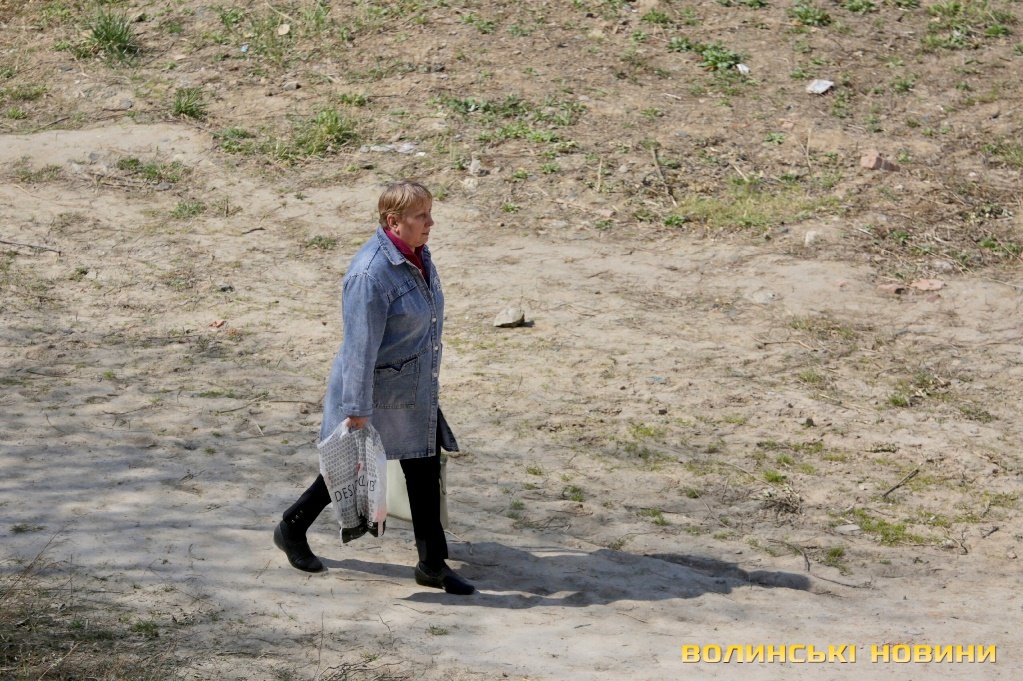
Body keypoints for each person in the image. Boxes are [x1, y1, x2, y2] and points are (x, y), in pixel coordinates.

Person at [273, 180, 474, 595]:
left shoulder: (416, 254)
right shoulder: (370, 274)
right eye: (421, 216)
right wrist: (357, 409)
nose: (430, 223)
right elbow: (359, 348)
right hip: (374, 391)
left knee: (423, 467)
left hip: (412, 387)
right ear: (393, 221)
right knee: (349, 467)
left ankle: (432, 563)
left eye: (430, 214)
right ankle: (292, 527)